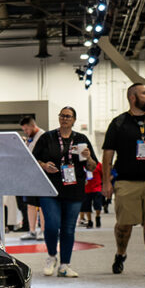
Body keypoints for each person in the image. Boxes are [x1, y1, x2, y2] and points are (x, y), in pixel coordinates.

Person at [101, 82, 145, 276]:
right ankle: (120, 253)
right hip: (126, 182)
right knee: (124, 224)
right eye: (144, 93)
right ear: (132, 98)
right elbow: (108, 154)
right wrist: (106, 182)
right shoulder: (119, 123)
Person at [32, 107, 98, 277]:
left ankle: (64, 265)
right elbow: (33, 159)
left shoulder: (82, 139)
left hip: (74, 189)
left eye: (68, 116)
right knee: (52, 226)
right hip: (50, 189)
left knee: (68, 229)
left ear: (74, 120)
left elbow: (92, 166)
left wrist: (89, 157)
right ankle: (52, 256)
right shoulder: (47, 137)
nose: (64, 119)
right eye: (62, 115)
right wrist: (44, 166)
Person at [19, 116, 45, 240]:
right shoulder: (29, 139)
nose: (25, 132)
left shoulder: (43, 136)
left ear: (32, 125)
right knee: (30, 204)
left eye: (26, 129)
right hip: (29, 176)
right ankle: (32, 231)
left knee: (42, 205)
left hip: (41, 176)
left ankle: (43, 230)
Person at [80, 161, 103, 228]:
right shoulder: (83, 164)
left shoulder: (99, 164)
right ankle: (90, 221)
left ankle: (97, 217)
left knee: (97, 204)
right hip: (87, 188)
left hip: (97, 188)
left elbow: (102, 175)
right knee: (87, 205)